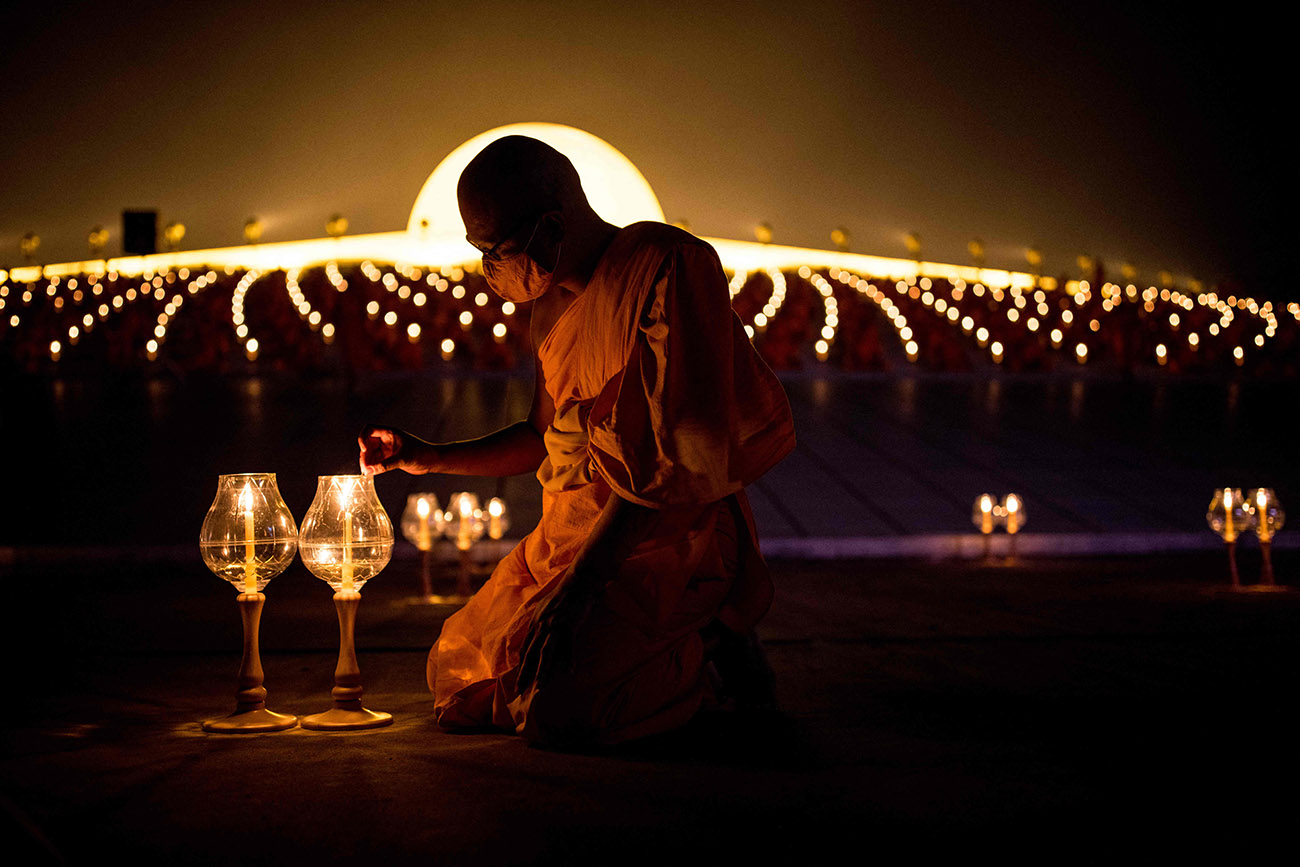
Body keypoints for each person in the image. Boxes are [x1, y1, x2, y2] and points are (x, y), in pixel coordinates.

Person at [359, 135, 795, 747]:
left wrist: (576, 598)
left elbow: (665, 465)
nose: (490, 267)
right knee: (464, 679)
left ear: (553, 224)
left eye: (498, 248)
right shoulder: (546, 303)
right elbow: (544, 437)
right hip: (571, 538)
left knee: (559, 707)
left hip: (664, 541)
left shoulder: (666, 268)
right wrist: (425, 457)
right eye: (478, 249)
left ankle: (711, 652)